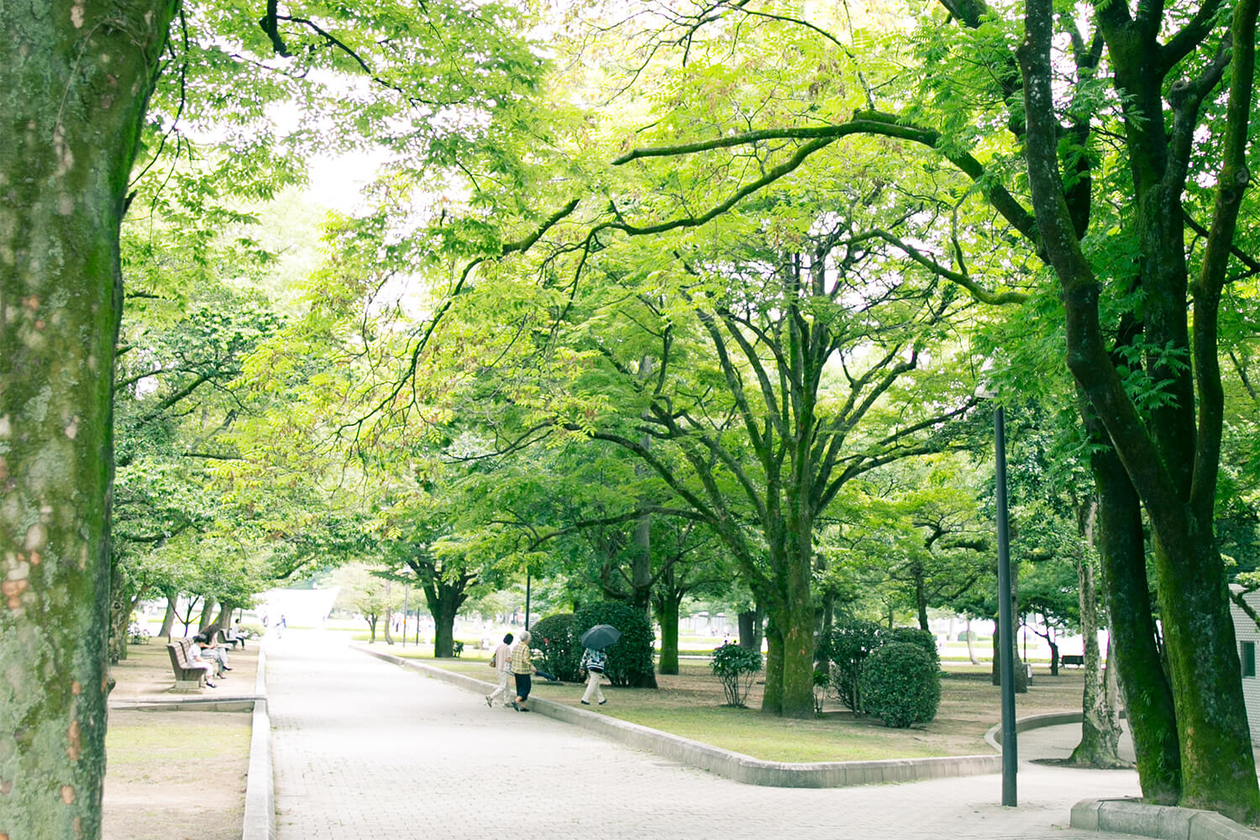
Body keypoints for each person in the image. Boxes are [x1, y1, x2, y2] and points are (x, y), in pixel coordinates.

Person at [485, 632, 515, 708]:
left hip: (498, 668)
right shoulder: (507, 649)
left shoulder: (499, 647)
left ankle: (507, 701)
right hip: (504, 669)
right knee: (503, 686)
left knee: (507, 685)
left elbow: (494, 656)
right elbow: (508, 659)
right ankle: (491, 697)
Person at [509, 630, 535, 712]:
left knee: (520, 688)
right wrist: (531, 666)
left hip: (516, 670)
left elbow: (512, 657)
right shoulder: (525, 648)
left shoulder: (516, 646)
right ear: (527, 639)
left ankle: (523, 706)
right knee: (526, 688)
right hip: (524, 671)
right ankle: (516, 701)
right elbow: (525, 659)